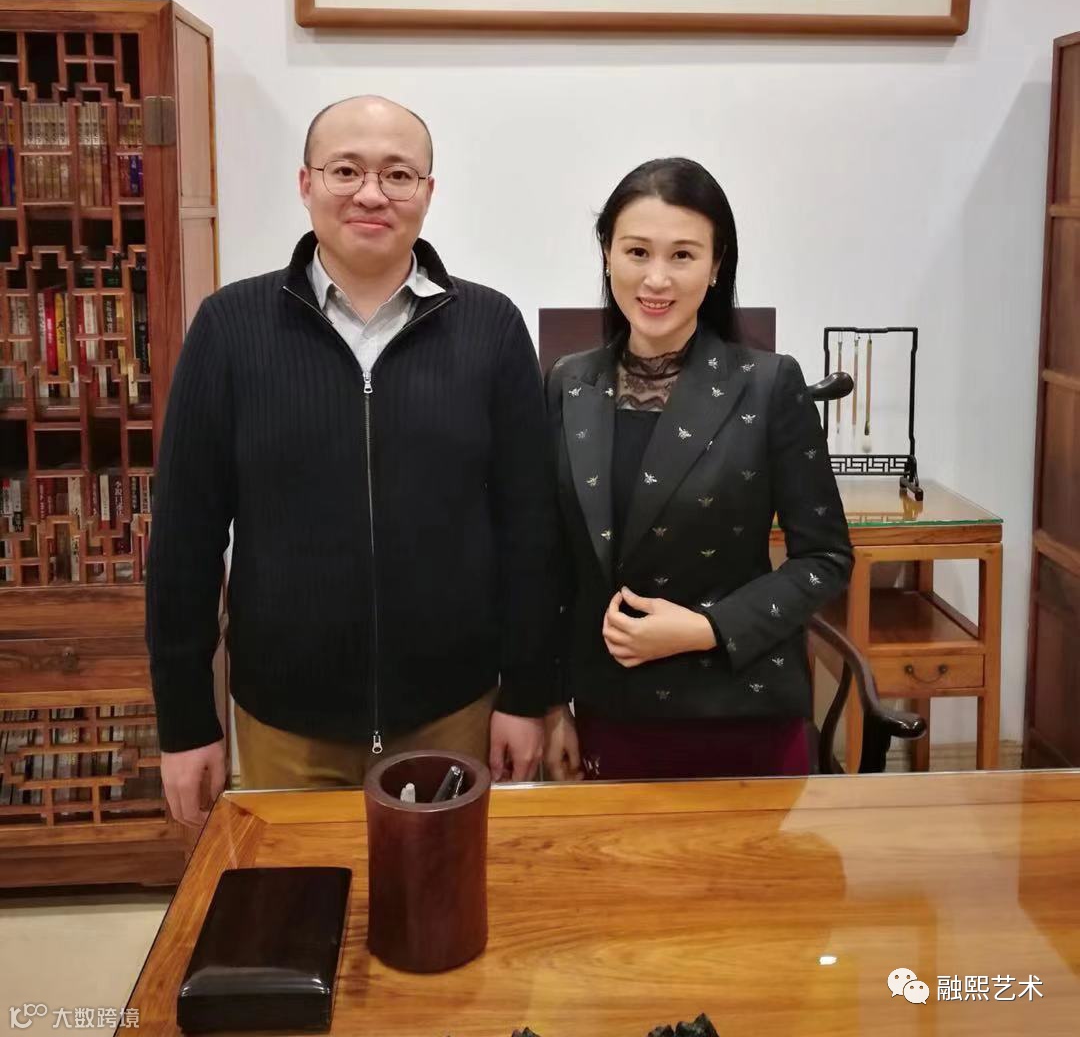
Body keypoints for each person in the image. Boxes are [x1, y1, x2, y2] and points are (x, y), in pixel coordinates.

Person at [147, 95, 560, 825]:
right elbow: (184, 538)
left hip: (454, 713)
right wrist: (184, 722)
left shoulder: (491, 328)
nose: (372, 193)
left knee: (447, 893)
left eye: (398, 174)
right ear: (306, 183)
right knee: (297, 892)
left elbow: (530, 530)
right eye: (346, 170)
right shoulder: (229, 328)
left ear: (428, 192)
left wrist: (526, 697)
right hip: (283, 723)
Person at [544, 157, 853, 782]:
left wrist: (708, 628)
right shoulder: (568, 383)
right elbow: (551, 565)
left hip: (742, 709)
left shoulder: (769, 383)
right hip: (610, 710)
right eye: (637, 251)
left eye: (683, 255)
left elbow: (825, 559)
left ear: (715, 266)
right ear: (607, 254)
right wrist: (551, 706)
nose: (656, 278)